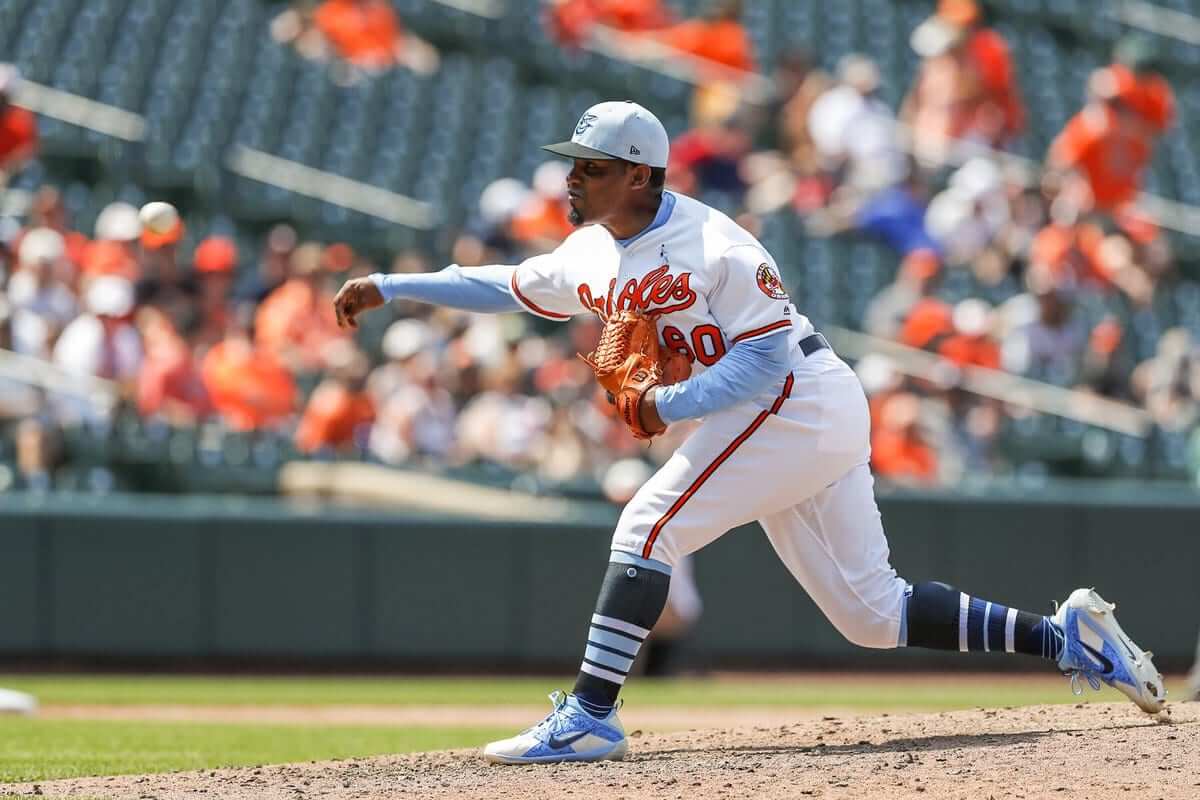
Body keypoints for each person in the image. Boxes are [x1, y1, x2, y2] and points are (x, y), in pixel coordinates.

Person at [333, 101, 1165, 766]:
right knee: (873, 615)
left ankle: (589, 715)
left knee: (646, 524)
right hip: (788, 416)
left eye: (589, 166)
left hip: (796, 398)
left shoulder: (715, 244)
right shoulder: (590, 249)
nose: (572, 179)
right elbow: (507, 285)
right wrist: (393, 284)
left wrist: (669, 405)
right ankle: (1071, 638)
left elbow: (765, 362)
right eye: (573, 164)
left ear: (638, 175)